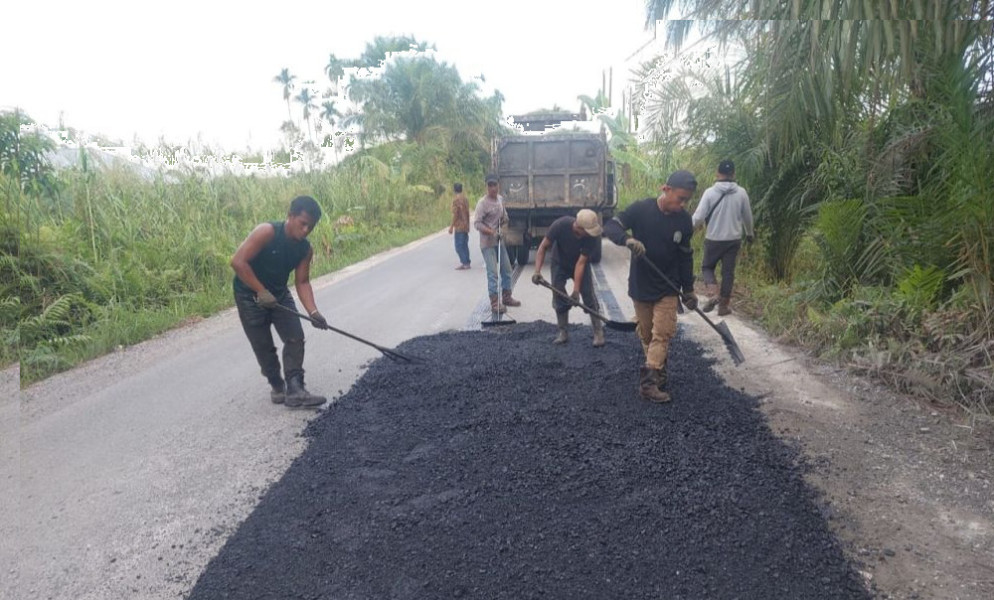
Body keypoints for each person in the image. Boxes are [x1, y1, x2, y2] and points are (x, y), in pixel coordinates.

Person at [604, 170, 699, 403]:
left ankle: (648, 385)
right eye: (681, 198)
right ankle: (658, 370)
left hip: (668, 286)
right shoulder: (641, 209)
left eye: (687, 200)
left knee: (662, 333)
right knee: (646, 334)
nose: (683, 204)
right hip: (641, 284)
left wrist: (688, 289)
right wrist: (627, 240)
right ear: (665, 189)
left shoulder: (684, 221)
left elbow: (686, 256)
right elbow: (611, 226)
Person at [230, 195, 328, 408]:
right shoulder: (267, 232)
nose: (305, 231)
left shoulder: (304, 249)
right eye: (302, 224)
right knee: (263, 345)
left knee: (295, 338)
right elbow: (238, 262)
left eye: (310, 227)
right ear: (290, 216)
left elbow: (302, 282)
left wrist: (313, 313)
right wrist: (261, 291)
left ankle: (295, 389)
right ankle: (276, 384)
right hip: (249, 295)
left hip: (279, 294)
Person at [531, 209, 605, 347]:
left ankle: (598, 331)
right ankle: (563, 332)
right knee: (558, 294)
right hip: (559, 262)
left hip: (579, 263)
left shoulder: (592, 238)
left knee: (588, 296)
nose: (591, 233)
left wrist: (576, 291)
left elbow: (580, 263)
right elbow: (542, 247)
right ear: (579, 228)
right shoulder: (560, 225)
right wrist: (537, 271)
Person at [691, 159, 754, 316]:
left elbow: (698, 217)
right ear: (733, 174)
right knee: (728, 273)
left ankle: (713, 293)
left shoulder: (709, 193)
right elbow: (748, 217)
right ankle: (723, 307)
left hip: (713, 239)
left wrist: (688, 228)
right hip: (733, 240)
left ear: (717, 173)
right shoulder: (742, 193)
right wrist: (750, 233)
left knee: (707, 267)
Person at [474, 173, 520, 313]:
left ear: (499, 185)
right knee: (493, 273)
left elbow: (504, 217)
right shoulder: (482, 203)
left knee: (507, 269)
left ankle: (507, 297)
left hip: (499, 242)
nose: (493, 188)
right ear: (486, 186)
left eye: (495, 185)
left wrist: (504, 223)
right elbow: (477, 224)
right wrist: (491, 232)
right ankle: (494, 303)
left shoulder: (500, 199)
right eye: (490, 185)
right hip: (487, 244)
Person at [448, 182, 471, 270]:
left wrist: (451, 226)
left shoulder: (456, 200)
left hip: (459, 226)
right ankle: (467, 262)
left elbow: (455, 214)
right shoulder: (465, 199)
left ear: (454, 190)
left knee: (458, 246)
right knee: (464, 244)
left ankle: (464, 262)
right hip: (466, 225)